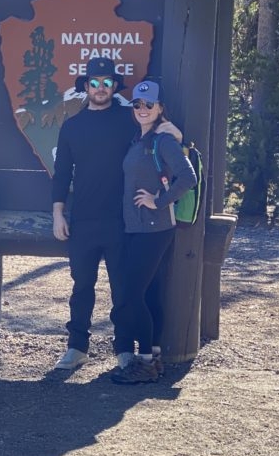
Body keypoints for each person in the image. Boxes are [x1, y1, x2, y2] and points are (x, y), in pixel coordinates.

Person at [51, 58, 179, 373]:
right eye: (94, 83)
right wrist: (58, 214)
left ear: (114, 87)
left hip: (122, 221)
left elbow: (164, 133)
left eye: (106, 83)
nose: (100, 88)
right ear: (85, 87)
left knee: (122, 289)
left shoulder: (129, 119)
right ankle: (76, 347)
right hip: (82, 221)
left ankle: (123, 349)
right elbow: (62, 173)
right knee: (82, 286)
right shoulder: (72, 126)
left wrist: (173, 131)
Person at [109, 80, 197, 384]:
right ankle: (155, 357)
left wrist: (158, 201)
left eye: (149, 104)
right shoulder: (140, 138)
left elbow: (188, 177)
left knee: (132, 293)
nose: (142, 109)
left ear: (160, 108)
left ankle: (145, 361)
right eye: (137, 104)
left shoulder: (163, 141)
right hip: (139, 227)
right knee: (148, 293)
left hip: (153, 229)